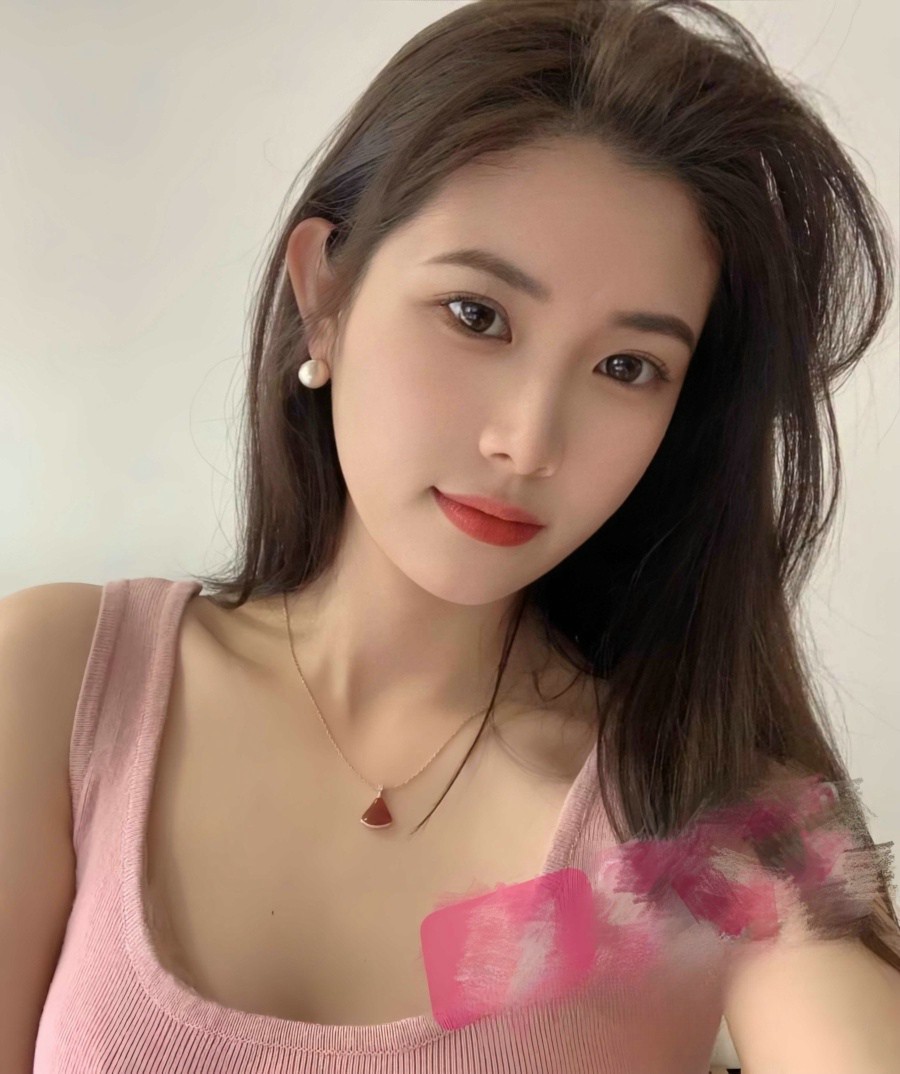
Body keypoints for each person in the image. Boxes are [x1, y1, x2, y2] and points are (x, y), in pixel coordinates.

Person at [3, 1, 899, 1071]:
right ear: (324, 292)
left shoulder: (716, 834)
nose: (528, 441)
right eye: (477, 315)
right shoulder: (62, 680)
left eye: (627, 367)